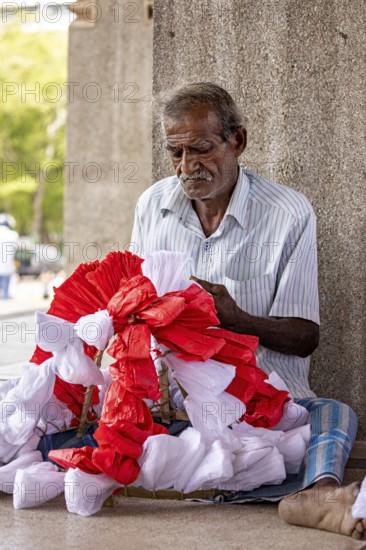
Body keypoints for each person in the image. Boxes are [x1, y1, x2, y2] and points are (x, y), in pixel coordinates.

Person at [131, 82, 365, 539]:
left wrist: (235, 319)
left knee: (334, 414)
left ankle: (317, 494)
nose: (187, 167)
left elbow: (305, 336)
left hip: (267, 401)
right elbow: (135, 312)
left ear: (237, 140)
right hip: (176, 404)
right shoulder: (152, 206)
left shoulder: (288, 213)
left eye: (200, 149)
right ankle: (254, 484)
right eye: (174, 153)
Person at [0, 213, 19, 299]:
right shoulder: (13, 234)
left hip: (5, 264)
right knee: (5, 286)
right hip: (7, 264)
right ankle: (5, 295)